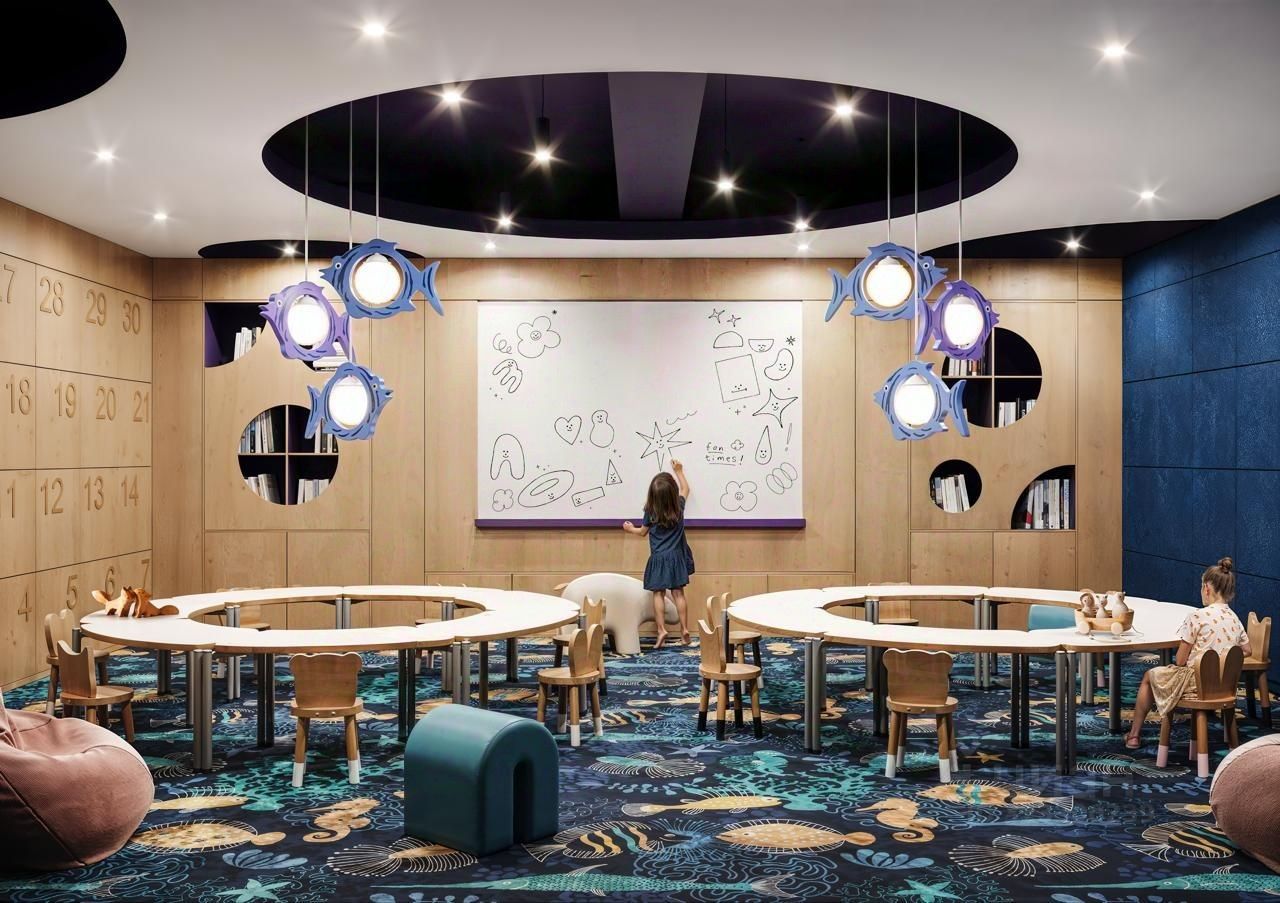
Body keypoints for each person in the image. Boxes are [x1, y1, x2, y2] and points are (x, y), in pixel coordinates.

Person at [1125, 557, 1251, 749]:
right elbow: (1247, 650)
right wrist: (1223, 658)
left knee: (1149, 677)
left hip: (1196, 684)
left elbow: (1180, 660)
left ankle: (1134, 735)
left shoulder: (1197, 616)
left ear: (1206, 588)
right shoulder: (1234, 618)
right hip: (1225, 685)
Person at [623, 460, 695, 649]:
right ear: (672, 493)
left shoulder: (650, 511)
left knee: (658, 594)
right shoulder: (678, 507)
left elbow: (642, 532)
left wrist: (630, 529)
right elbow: (686, 489)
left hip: (658, 558)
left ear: (652, 495)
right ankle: (685, 630)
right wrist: (679, 471)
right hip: (677, 557)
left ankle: (661, 629)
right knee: (678, 593)